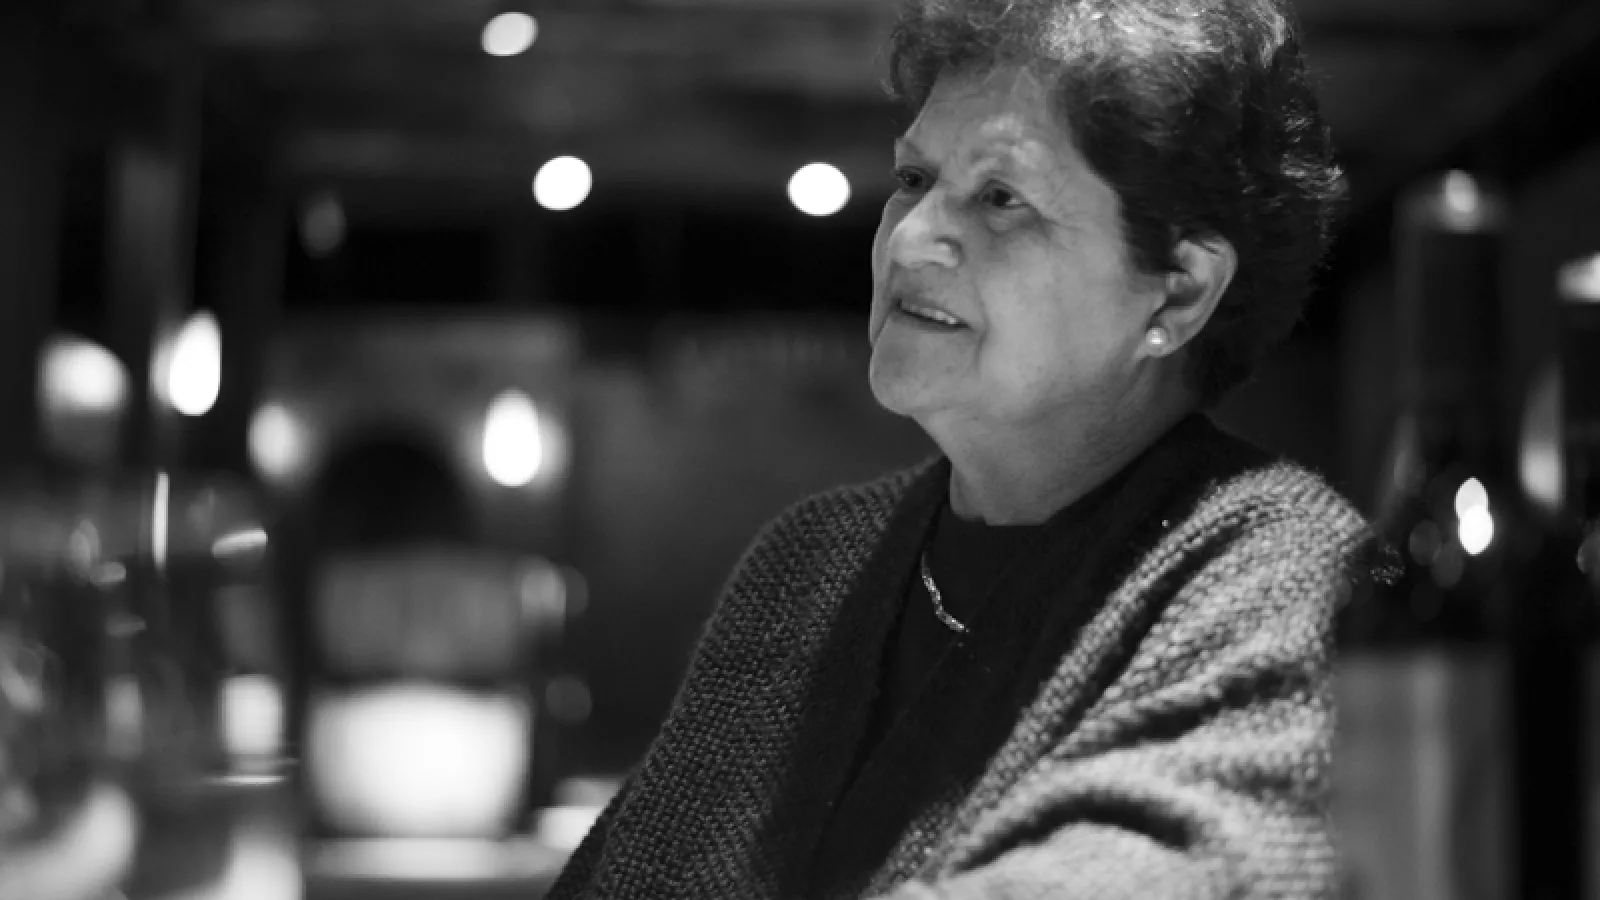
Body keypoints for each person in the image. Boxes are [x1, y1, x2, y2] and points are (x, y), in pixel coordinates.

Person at [547, 0, 1367, 896]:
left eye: (1001, 199)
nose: (907, 239)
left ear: (1179, 293)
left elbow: (1181, 863)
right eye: (913, 177)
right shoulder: (809, 564)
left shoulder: (1288, 567)